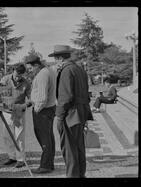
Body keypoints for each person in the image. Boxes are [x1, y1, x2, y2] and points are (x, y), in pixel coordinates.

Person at [49, 45, 93, 178]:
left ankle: (73, 175)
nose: (56, 63)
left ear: (60, 58)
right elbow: (86, 94)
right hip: (80, 112)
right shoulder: (79, 69)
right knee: (79, 147)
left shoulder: (66, 71)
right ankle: (80, 174)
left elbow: (65, 97)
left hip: (70, 115)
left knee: (69, 150)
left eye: (56, 59)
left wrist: (59, 116)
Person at [25, 56, 57, 174]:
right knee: (48, 137)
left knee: (44, 138)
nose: (29, 71)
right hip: (48, 108)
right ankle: (49, 163)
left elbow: (42, 97)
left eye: (30, 68)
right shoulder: (48, 71)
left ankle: (45, 166)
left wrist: (37, 109)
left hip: (43, 110)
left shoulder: (43, 74)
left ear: (36, 65)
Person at [1, 64, 31, 168]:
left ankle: (21, 159)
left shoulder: (26, 83)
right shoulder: (5, 80)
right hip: (6, 112)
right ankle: (12, 157)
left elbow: (30, 98)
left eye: (20, 76)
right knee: (7, 136)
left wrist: (26, 104)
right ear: (13, 71)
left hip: (19, 112)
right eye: (16, 75)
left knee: (19, 137)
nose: (17, 78)